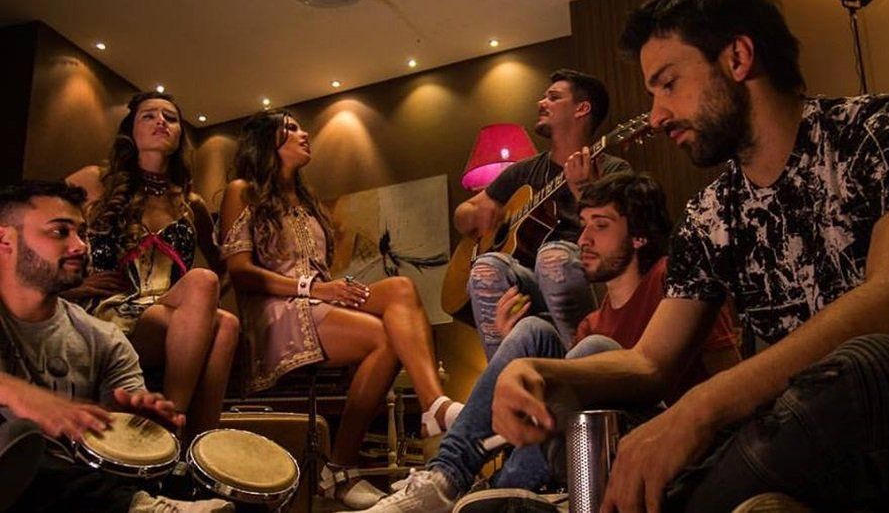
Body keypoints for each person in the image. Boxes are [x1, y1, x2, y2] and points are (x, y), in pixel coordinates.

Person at [492, 0, 889, 513]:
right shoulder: (711, 213)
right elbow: (650, 363)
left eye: (668, 83)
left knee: (868, 365)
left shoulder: (887, 130)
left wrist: (702, 409)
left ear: (738, 58)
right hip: (800, 444)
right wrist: (544, 374)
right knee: (593, 410)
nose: (656, 115)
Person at [352, 172, 740, 513]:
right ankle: (444, 479)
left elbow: (727, 376)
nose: (584, 239)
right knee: (532, 331)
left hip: (672, 442)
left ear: (639, 235)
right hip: (594, 448)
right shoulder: (592, 322)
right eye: (583, 225)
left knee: (590, 351)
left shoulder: (674, 282)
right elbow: (558, 407)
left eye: (601, 226)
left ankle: (503, 490)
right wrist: (511, 347)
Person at [219, 109, 463, 510]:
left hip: (316, 300)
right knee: (383, 338)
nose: (304, 133)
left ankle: (432, 406)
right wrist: (315, 289)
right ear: (266, 141)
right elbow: (241, 272)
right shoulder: (241, 190)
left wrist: (329, 291)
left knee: (400, 288)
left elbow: (317, 272)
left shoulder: (308, 202)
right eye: (291, 128)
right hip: (276, 313)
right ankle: (343, 466)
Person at [0, 181, 232, 513]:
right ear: (5, 239)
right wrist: (19, 394)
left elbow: (127, 431)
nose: (80, 246)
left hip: (67, 493)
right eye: (60, 232)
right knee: (20, 439)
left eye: (82, 233)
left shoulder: (103, 339)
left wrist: (140, 425)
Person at [65, 92, 239, 447]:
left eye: (170, 118)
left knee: (226, 321)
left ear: (179, 136)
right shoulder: (94, 180)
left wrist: (197, 310)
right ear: (130, 130)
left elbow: (226, 267)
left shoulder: (190, 204)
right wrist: (72, 288)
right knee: (205, 288)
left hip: (172, 312)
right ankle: (171, 429)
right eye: (149, 115)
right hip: (108, 313)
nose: (161, 121)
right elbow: (37, 223)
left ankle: (198, 449)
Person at [454, 69, 633, 360]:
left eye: (553, 97)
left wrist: (584, 190)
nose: (541, 102)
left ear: (581, 108)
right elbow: (463, 214)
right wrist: (474, 216)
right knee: (486, 266)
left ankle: (582, 368)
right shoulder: (524, 172)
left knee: (553, 257)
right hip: (527, 281)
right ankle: (506, 376)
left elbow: (619, 238)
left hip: (582, 277)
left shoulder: (613, 170)